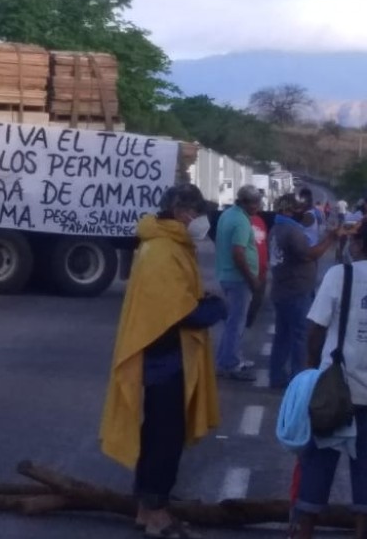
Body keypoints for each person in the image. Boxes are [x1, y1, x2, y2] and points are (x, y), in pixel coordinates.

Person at [100, 183, 226, 539]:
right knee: (164, 438)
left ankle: (146, 507)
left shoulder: (168, 244)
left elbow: (175, 299)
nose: (201, 222)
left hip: (165, 356)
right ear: (183, 212)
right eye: (198, 213)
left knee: (157, 434)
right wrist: (210, 309)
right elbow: (176, 312)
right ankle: (157, 514)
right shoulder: (162, 250)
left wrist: (201, 302)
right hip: (164, 359)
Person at [293, 221, 367, 539]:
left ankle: (303, 531)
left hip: (336, 388)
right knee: (365, 468)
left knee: (318, 461)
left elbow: (316, 327)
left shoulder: (342, 275)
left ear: (360, 244)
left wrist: (311, 364)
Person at [268, 194, 337, 390]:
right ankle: (297, 380)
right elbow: (309, 254)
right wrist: (329, 239)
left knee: (282, 336)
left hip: (283, 289)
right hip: (295, 290)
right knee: (300, 337)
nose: (302, 212)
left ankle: (276, 376)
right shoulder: (291, 231)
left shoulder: (277, 228)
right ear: (287, 210)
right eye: (297, 208)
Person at [215, 184, 263, 381]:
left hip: (227, 275)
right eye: (256, 203)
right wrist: (251, 279)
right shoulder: (241, 222)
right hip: (238, 279)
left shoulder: (228, 215)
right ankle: (231, 364)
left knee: (232, 322)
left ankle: (226, 358)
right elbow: (238, 253)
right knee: (236, 323)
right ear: (246, 203)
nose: (258, 207)